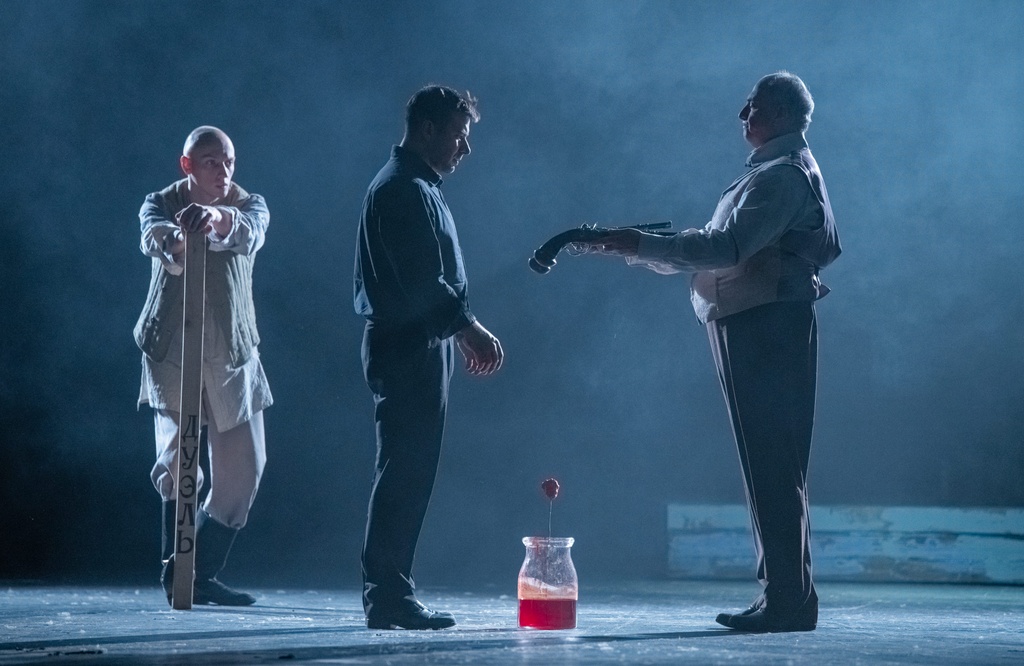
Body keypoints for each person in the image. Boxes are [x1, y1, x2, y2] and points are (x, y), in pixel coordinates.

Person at [586, 72, 841, 632]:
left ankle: (787, 600)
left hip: (764, 322)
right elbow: (717, 246)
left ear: (778, 113)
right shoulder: (771, 172)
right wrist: (642, 249)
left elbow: (726, 247)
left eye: (752, 106)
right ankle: (787, 597)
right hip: (757, 319)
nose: (743, 115)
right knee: (770, 465)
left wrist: (642, 244)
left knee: (772, 465)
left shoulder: (781, 176)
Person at [353, 85, 504, 630]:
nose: (466, 148)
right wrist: (466, 326)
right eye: (460, 135)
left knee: (409, 470)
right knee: (405, 471)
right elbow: (421, 278)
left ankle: (390, 592)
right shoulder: (402, 189)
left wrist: (452, 328)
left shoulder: (416, 186)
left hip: (417, 340)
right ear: (428, 129)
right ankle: (388, 594)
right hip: (407, 343)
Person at [134, 126, 271, 607]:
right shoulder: (160, 202)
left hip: (231, 351)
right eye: (211, 161)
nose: (223, 170)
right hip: (173, 349)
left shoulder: (249, 204)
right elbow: (153, 236)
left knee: (245, 470)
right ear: (187, 165)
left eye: (229, 161)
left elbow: (249, 232)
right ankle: (177, 573)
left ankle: (197, 571)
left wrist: (214, 218)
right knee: (177, 463)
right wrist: (179, 236)